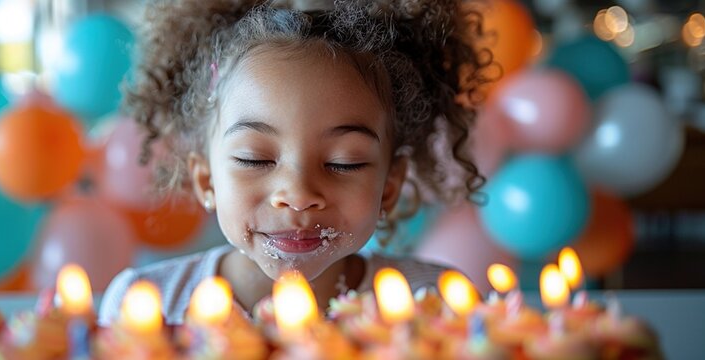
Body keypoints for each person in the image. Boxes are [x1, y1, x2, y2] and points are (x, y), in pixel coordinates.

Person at [99, 0, 490, 325]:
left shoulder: (433, 305)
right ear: (207, 181)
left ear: (389, 187)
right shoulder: (146, 305)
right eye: (255, 159)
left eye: (344, 163)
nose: (299, 195)